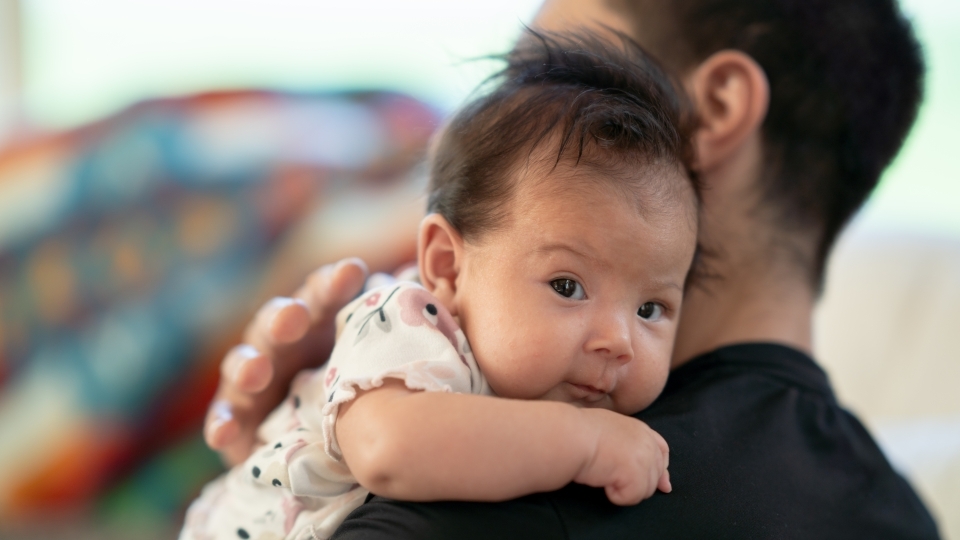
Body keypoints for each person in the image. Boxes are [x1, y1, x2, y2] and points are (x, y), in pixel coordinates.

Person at [203, 0, 941, 538]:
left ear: (711, 109)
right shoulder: (899, 514)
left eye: (543, 80)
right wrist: (277, 461)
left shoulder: (522, 484)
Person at [183, 32, 698, 540]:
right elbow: (388, 449)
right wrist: (584, 445)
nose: (620, 341)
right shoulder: (406, 320)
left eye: (650, 309)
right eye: (567, 286)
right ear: (448, 267)